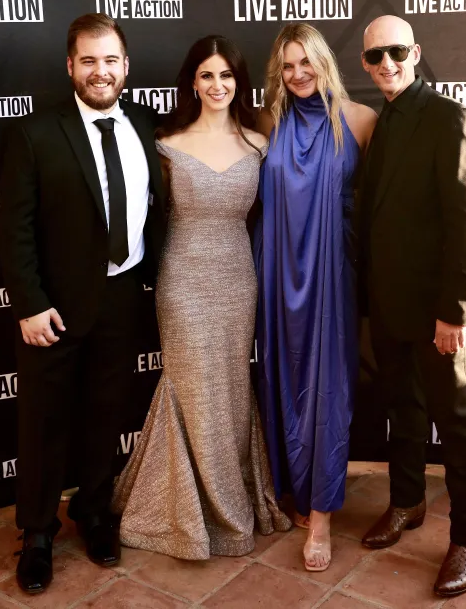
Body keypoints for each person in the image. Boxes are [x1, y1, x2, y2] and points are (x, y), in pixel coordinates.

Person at [0, 13, 166, 595]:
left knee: (106, 413)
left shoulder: (146, 126)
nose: (101, 71)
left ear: (126, 66)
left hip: (122, 297)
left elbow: (157, 211)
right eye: (89, 60)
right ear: (71, 66)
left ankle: (95, 512)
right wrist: (30, 302)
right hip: (55, 307)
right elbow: (13, 228)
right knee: (43, 422)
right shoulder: (35, 133)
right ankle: (38, 533)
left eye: (110, 60)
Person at [112, 35, 291, 559]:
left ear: (240, 82)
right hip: (182, 280)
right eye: (207, 75)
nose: (217, 85)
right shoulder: (164, 142)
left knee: (231, 387)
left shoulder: (260, 143)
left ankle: (230, 497)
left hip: (238, 278)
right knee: (191, 385)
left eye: (227, 76)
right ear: (193, 80)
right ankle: (185, 512)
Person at [359, 15, 466, 598]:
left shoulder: (450, 118)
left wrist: (455, 314)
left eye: (395, 52)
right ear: (364, 63)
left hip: (439, 312)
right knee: (403, 412)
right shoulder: (382, 122)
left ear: (415, 52)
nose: (386, 64)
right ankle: (407, 503)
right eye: (374, 57)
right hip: (388, 306)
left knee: (458, 422)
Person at [254, 23, 377, 572]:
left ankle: (323, 514)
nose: (299, 74)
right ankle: (295, 493)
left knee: (329, 388)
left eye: (308, 63)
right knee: (281, 376)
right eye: (287, 66)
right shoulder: (265, 122)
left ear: (326, 63)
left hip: (333, 275)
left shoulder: (361, 121)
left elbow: (385, 203)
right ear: (277, 73)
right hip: (277, 273)